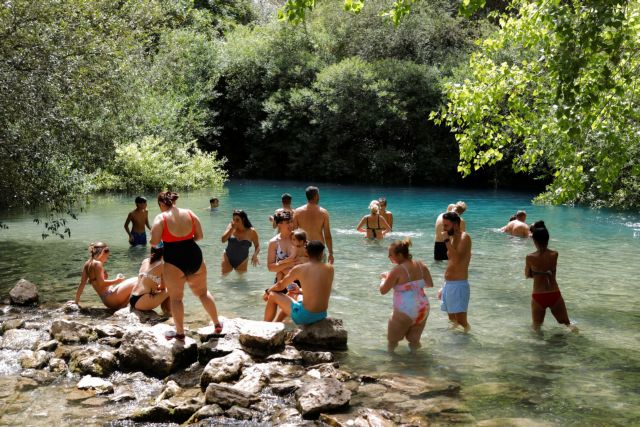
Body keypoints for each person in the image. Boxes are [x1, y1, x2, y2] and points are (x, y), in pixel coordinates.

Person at [150, 191, 222, 340]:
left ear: (162, 204)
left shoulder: (161, 218)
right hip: (194, 255)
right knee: (203, 293)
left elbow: (154, 241)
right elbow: (200, 236)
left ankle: (180, 333)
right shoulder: (189, 213)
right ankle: (217, 324)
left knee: (176, 299)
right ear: (174, 201)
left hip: (174, 259)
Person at [379, 239, 434, 352]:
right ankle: (416, 364)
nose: (389, 257)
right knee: (414, 341)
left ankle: (390, 365)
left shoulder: (397, 270)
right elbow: (429, 284)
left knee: (392, 342)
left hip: (406, 309)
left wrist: (384, 278)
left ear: (399, 255)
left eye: (391, 255)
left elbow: (383, 290)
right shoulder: (421, 265)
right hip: (423, 307)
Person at [263, 240, 333, 325]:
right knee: (295, 295)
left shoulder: (300, 268)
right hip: (321, 315)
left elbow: (280, 285)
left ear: (306, 252)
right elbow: (319, 291)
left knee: (273, 295)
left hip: (305, 317)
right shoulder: (330, 269)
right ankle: (277, 324)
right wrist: (299, 290)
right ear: (322, 253)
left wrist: (267, 291)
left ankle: (265, 326)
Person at [525, 221, 575, 331]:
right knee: (567, 323)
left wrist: (537, 273)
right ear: (548, 239)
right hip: (554, 293)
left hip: (539, 295)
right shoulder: (554, 254)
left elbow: (527, 275)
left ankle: (540, 348)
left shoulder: (530, 257)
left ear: (534, 240)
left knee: (536, 328)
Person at [73, 242, 136, 309]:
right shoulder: (98, 264)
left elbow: (82, 284)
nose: (106, 259)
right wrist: (117, 280)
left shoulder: (87, 264)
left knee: (134, 282)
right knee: (137, 280)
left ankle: (123, 306)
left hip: (106, 300)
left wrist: (76, 301)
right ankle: (123, 306)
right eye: (106, 257)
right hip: (111, 298)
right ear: (102, 252)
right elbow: (102, 284)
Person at [438, 211, 472, 332]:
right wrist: (444, 286)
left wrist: (446, 241)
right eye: (443, 225)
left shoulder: (465, 237)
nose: (444, 228)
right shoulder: (453, 238)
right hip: (450, 285)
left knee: (462, 322)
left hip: (459, 285)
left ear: (456, 225)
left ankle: (468, 340)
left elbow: (457, 259)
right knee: (452, 319)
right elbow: (451, 263)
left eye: (446, 226)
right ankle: (455, 345)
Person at [293, 186, 334, 264]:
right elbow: (327, 235)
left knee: (303, 275)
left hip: (303, 248)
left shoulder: (297, 212)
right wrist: (331, 253)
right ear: (316, 196)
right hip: (318, 249)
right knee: (319, 275)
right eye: (318, 195)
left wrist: (294, 251)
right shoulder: (324, 213)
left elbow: (294, 233)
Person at [129, 244, 171, 314]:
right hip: (142, 300)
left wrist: (153, 287)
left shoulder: (145, 261)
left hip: (132, 298)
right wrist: (157, 288)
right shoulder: (162, 265)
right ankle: (169, 313)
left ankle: (166, 312)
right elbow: (163, 287)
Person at [221, 209, 260, 274]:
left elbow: (257, 246)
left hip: (242, 261)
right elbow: (223, 240)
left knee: (241, 281)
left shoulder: (251, 231)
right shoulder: (231, 226)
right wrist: (231, 229)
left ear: (243, 219)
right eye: (233, 219)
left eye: (237, 220)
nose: (235, 222)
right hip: (227, 258)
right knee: (223, 278)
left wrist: (255, 255)